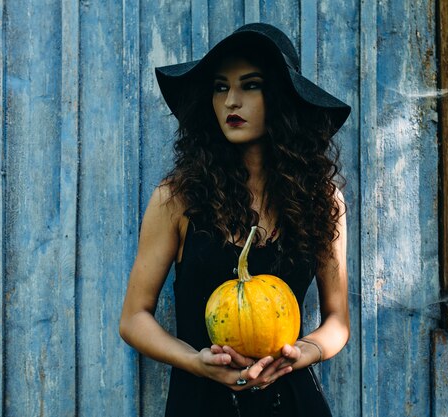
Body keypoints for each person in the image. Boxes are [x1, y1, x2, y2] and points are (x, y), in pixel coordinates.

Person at [119, 23, 351, 417]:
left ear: (281, 99)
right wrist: (195, 362)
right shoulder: (176, 200)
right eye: (221, 87)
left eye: (251, 85)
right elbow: (133, 318)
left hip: (292, 402)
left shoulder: (321, 200)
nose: (231, 101)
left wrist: (302, 354)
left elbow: (337, 321)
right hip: (201, 402)